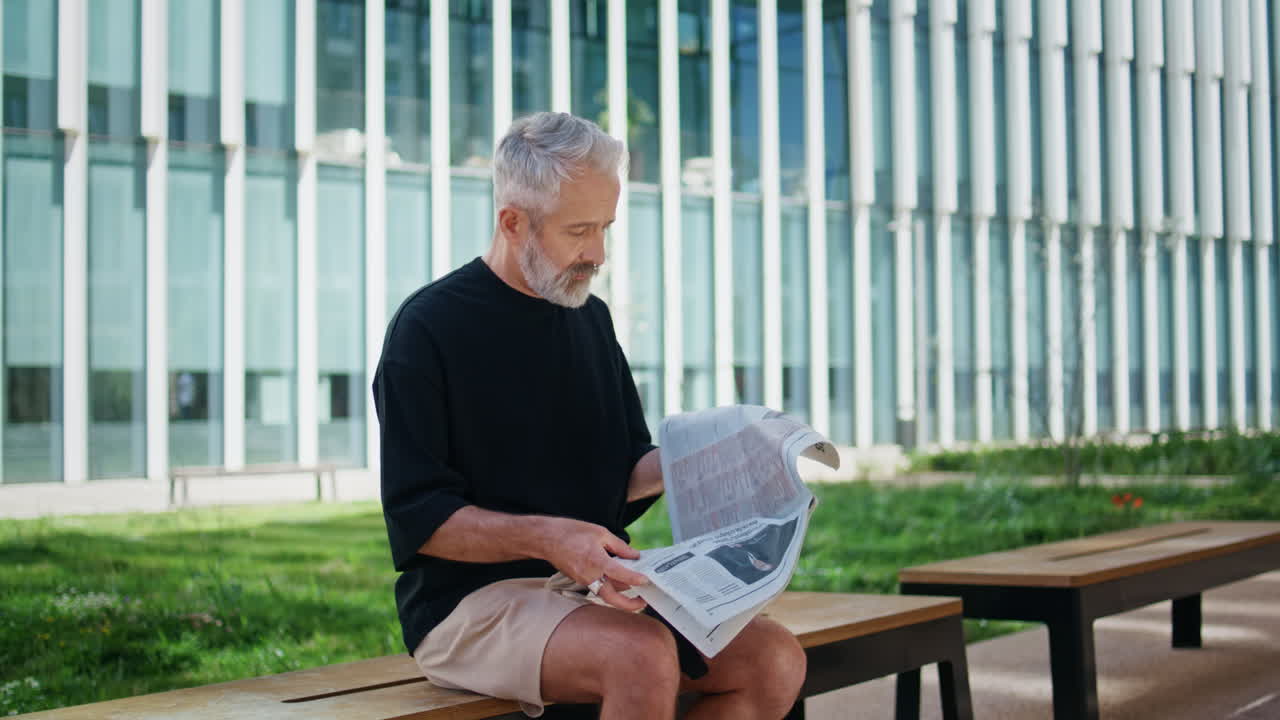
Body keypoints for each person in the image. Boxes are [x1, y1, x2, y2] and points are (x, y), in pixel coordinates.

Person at [372, 111, 806, 720]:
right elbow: (421, 520)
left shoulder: (589, 318)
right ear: (512, 222)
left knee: (774, 660)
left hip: (591, 587)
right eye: (579, 230)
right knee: (642, 656)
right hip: (467, 606)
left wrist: (723, 455)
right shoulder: (427, 329)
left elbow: (620, 471)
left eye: (605, 227)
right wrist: (552, 539)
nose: (598, 253)